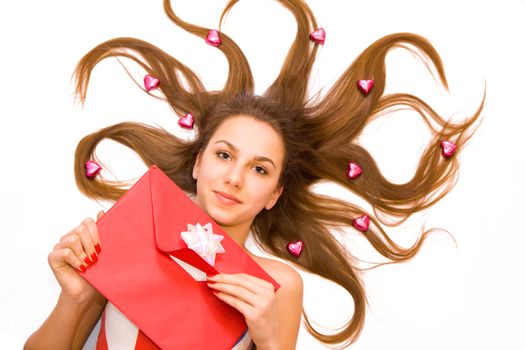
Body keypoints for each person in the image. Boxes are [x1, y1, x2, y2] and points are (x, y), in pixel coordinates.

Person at [24, 0, 483, 349]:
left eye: (258, 168)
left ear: (274, 194)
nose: (234, 178)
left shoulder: (278, 287)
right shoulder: (124, 234)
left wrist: (267, 337)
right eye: (224, 155)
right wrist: (78, 296)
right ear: (198, 162)